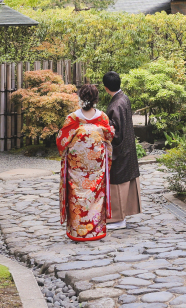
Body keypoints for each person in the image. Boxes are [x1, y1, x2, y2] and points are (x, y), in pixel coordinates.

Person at [56, 84, 114, 242]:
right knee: (96, 198)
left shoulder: (72, 118)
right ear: (96, 99)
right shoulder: (102, 118)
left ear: (80, 98)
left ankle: (77, 231)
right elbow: (109, 136)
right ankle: (95, 231)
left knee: (76, 199)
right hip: (96, 169)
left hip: (76, 170)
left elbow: (61, 141)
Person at [103, 71, 141, 229]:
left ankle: (118, 219)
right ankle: (121, 216)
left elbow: (114, 130)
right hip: (127, 146)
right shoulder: (123, 98)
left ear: (106, 88)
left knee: (117, 182)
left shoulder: (116, 104)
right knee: (124, 181)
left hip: (119, 148)